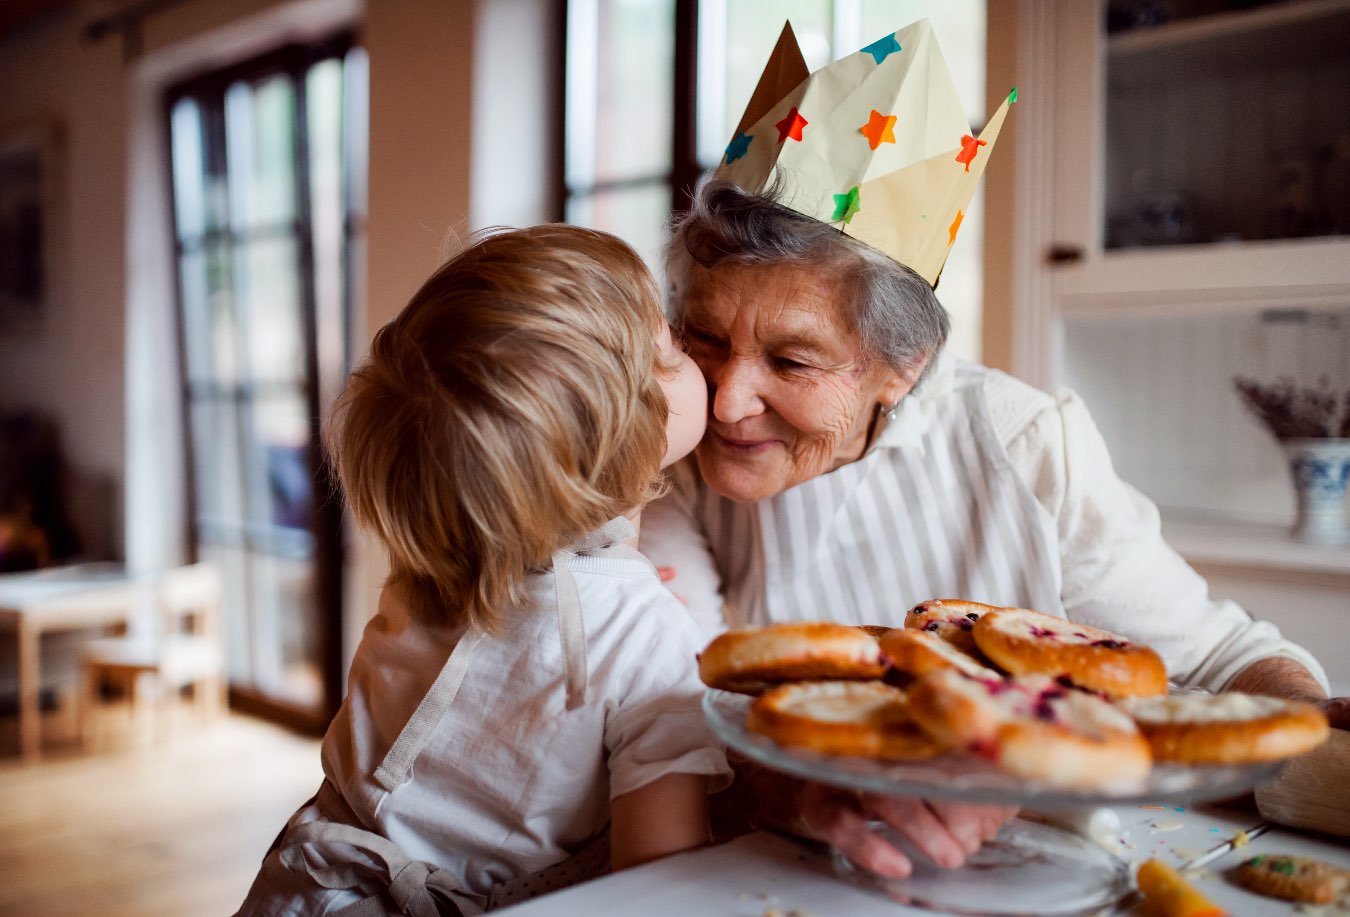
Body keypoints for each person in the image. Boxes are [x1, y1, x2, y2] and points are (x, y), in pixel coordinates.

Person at [639, 177, 1348, 879]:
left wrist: (1308, 712)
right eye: (704, 337)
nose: (727, 402)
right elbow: (672, 707)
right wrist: (789, 788)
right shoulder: (676, 449)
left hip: (1058, 869)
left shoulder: (1022, 443)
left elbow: (1219, 660)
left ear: (905, 365)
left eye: (791, 360)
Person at [237, 224, 728, 916]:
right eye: (670, 348)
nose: (693, 354)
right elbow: (660, 885)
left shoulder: (430, 566)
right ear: (631, 435)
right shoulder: (646, 639)